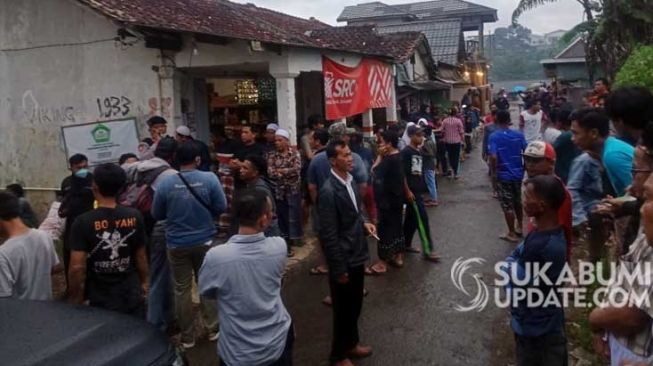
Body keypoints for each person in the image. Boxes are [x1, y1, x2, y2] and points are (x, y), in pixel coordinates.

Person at [199, 189, 293, 366]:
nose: (272, 215)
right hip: (278, 340)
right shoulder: (279, 246)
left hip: (237, 351)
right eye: (270, 212)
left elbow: (207, 292)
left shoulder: (216, 257)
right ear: (263, 220)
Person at [588, 126, 653, 365]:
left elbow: (635, 316)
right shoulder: (645, 222)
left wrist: (596, 319)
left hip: (636, 350)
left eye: (636, 170)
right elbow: (627, 278)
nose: (631, 178)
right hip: (621, 339)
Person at [152, 142, 226, 348]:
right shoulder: (210, 179)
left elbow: (157, 214)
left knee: (181, 290)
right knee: (206, 284)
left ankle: (187, 337)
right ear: (198, 159)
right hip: (205, 241)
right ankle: (213, 329)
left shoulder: (166, 183)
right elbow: (221, 206)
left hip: (176, 244)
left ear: (176, 159)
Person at [318, 140, 376, 366]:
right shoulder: (328, 191)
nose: (350, 158)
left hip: (357, 251)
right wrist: (338, 268)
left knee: (354, 305)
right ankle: (338, 355)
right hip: (343, 257)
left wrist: (365, 223)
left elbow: (356, 212)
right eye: (344, 155)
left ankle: (352, 344)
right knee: (343, 310)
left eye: (350, 153)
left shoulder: (350, 182)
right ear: (333, 161)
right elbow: (328, 235)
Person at [501, 175, 568, 366]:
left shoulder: (541, 245)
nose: (522, 199)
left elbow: (513, 285)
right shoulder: (547, 232)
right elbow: (516, 256)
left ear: (542, 205)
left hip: (536, 329)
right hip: (546, 318)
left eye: (527, 196)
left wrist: (509, 267)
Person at [67, 163, 149, 316]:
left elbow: (77, 267)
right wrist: (144, 282)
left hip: (100, 297)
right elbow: (141, 255)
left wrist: (75, 298)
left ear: (95, 186)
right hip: (130, 293)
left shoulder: (83, 221)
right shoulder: (134, 216)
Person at [125, 137, 178, 331]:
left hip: (133, 222)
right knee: (160, 274)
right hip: (157, 226)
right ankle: (155, 323)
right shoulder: (171, 175)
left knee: (146, 271)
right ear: (173, 155)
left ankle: (167, 317)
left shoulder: (136, 167)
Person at [0, 191, 59, 300]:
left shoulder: (4, 254)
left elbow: (4, 299)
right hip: (46, 311)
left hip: (19, 314)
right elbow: (54, 268)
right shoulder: (43, 236)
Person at [522, 141, 573, 260]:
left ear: (551, 163)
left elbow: (563, 229)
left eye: (535, 161)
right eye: (527, 160)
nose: (529, 165)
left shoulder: (558, 192)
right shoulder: (534, 186)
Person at [402, 125, 443, 262]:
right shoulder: (406, 152)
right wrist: (407, 190)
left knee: (412, 219)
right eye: (418, 135)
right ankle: (428, 249)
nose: (421, 138)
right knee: (422, 219)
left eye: (422, 135)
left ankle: (405, 244)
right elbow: (402, 174)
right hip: (411, 192)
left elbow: (417, 172)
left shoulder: (418, 152)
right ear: (412, 136)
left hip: (417, 191)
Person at [367, 130, 405, 274]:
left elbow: (374, 172)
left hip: (386, 201)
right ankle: (398, 256)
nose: (379, 144)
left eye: (381, 142)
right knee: (397, 226)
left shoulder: (388, 160)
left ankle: (383, 262)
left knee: (385, 229)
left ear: (388, 143)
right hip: (397, 198)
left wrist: (379, 157)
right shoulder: (399, 155)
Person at [571, 109, 634, 198]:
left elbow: (638, 193)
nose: (572, 139)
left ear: (594, 133)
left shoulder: (612, 156)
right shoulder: (608, 150)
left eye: (575, 133)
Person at [489, 110, 528, 243]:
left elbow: (493, 156)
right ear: (509, 120)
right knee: (517, 201)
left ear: (497, 120)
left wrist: (494, 172)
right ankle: (520, 227)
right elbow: (526, 152)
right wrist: (524, 168)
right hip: (518, 174)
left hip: (503, 174)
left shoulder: (494, 136)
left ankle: (511, 232)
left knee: (507, 205)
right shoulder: (519, 135)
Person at [58, 153, 95, 282]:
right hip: (73, 223)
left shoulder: (94, 180)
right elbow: (63, 203)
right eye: (79, 168)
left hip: (92, 223)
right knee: (70, 255)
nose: (83, 170)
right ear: (71, 167)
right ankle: (71, 288)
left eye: (85, 166)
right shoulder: (67, 182)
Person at [267, 128, 302, 255]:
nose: (277, 142)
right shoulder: (271, 155)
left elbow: (297, 170)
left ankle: (294, 240)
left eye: (280, 140)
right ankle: (285, 243)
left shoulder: (295, 154)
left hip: (293, 190)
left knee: (293, 216)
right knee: (281, 217)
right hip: (278, 191)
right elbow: (270, 172)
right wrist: (286, 172)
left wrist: (281, 171)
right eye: (276, 140)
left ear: (286, 141)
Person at [236, 154, 281, 237]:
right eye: (241, 167)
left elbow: (269, 213)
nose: (241, 170)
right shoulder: (251, 185)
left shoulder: (260, 190)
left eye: (245, 168)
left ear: (255, 172)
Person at [552, 108, 580, 183]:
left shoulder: (565, 137)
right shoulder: (573, 136)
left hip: (565, 176)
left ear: (560, 122)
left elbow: (552, 153)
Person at [441, 108, 465, 179]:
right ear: (456, 113)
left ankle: (450, 171)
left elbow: (442, 130)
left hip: (447, 142)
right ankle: (455, 173)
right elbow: (461, 132)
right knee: (456, 157)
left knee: (449, 156)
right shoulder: (458, 121)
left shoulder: (445, 121)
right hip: (456, 142)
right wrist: (463, 141)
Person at [421, 126, 439, 206]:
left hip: (428, 164)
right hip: (430, 163)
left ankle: (434, 199)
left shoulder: (427, 142)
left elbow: (430, 153)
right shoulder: (431, 141)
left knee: (430, 182)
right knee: (430, 181)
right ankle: (432, 197)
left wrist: (421, 151)